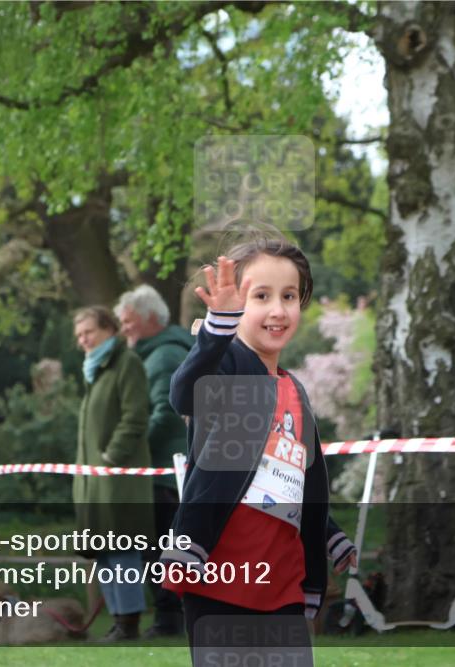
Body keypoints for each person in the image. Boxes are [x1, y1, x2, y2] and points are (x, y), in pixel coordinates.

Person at [161, 238, 332, 665]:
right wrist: (218, 326)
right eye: (261, 296)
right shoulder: (230, 366)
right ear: (236, 306)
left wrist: (328, 532)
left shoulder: (296, 390)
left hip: (283, 587)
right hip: (219, 579)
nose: (278, 310)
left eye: (289, 296)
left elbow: (298, 478)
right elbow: (184, 395)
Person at [114, 285, 193, 638]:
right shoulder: (161, 354)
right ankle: (170, 618)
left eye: (128, 322)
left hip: (163, 473)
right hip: (170, 469)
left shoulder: (161, 357)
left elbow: (167, 413)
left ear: (149, 319)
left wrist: (133, 449)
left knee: (159, 548)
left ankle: (168, 621)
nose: (124, 329)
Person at [72, 306, 154, 641]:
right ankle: (118, 619)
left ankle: (129, 622)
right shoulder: (95, 369)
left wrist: (110, 457)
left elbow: (135, 416)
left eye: (89, 332)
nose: (83, 341)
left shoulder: (126, 363)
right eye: (79, 336)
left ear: (109, 329)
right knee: (103, 549)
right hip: (94, 479)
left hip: (117, 476)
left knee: (122, 549)